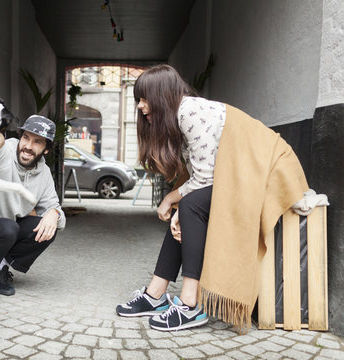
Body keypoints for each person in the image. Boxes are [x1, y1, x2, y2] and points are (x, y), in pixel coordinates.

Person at [116, 64, 308, 332]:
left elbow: (204, 179)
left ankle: (191, 304)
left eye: (144, 98)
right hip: (239, 172)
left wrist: (172, 198)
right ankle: (155, 294)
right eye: (138, 99)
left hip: (269, 171)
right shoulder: (178, 117)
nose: (139, 106)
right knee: (189, 204)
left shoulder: (189, 111)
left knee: (191, 204)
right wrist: (178, 206)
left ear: (162, 95)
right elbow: (204, 177)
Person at [0, 114, 66, 298]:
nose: (28, 146)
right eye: (26, 138)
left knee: (47, 227)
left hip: (6, 228)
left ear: (46, 149)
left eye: (37, 142)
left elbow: (53, 207)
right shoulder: (4, 153)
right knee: (9, 228)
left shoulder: (44, 173)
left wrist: (54, 213)